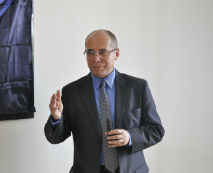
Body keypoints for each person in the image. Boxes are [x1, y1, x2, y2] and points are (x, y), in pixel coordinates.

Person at [44, 29, 164, 173]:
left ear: (116, 53)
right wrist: (56, 118)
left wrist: (130, 137)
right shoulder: (72, 92)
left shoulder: (138, 87)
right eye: (90, 52)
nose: (96, 59)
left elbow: (156, 130)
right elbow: (55, 138)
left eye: (103, 52)